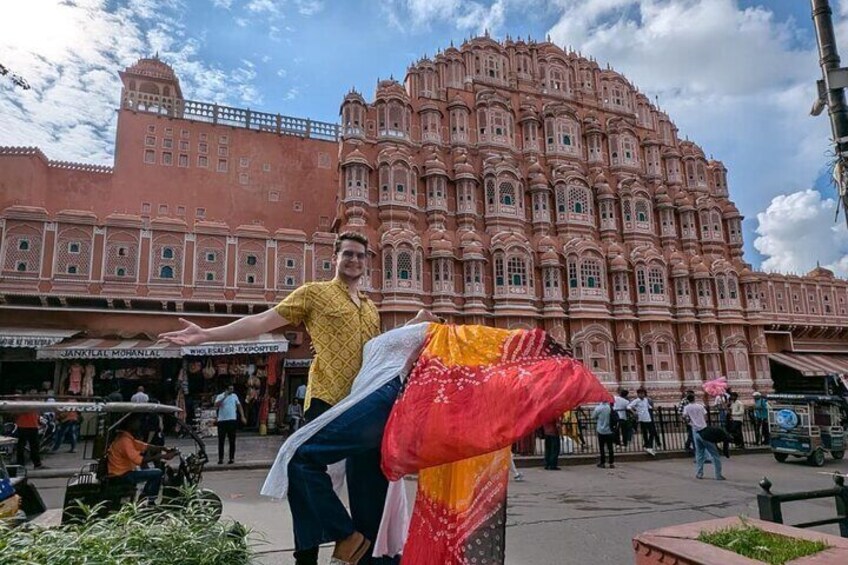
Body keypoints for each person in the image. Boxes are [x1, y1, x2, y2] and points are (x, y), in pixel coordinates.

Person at [160, 232, 418, 565]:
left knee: (369, 487)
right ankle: (315, 551)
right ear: (335, 258)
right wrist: (206, 335)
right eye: (348, 254)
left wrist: (413, 329)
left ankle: (369, 554)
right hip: (326, 400)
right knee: (303, 474)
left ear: (367, 262)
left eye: (360, 256)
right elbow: (263, 320)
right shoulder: (315, 294)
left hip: (361, 406)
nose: (354, 260)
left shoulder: (370, 309)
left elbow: (378, 354)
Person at [106, 416, 176, 503]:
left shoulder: (126, 437)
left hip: (124, 472)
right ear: (130, 424)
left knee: (153, 472)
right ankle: (149, 500)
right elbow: (139, 460)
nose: (139, 424)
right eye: (137, 422)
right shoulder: (124, 441)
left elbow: (143, 446)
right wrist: (161, 457)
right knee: (157, 473)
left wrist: (163, 448)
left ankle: (145, 495)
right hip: (122, 475)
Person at [215, 384, 246, 465]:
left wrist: (242, 416)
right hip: (222, 421)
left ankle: (231, 458)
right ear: (226, 389)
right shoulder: (220, 396)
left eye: (232, 389)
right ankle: (220, 458)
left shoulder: (234, 396)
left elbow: (239, 406)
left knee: (232, 440)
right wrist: (224, 396)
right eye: (230, 389)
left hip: (232, 420)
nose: (231, 390)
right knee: (221, 441)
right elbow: (216, 405)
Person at [15, 391, 43, 469]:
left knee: (35, 446)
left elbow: (38, 413)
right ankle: (20, 465)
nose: (33, 394)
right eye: (31, 392)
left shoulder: (35, 402)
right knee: (21, 446)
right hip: (23, 426)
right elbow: (19, 411)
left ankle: (37, 464)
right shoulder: (20, 402)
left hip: (33, 426)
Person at [629, 388, 659, 456]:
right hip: (642, 418)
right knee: (646, 432)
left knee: (651, 432)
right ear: (638, 394)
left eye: (643, 393)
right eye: (640, 393)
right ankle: (649, 446)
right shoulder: (636, 401)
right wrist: (634, 412)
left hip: (648, 417)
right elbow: (629, 406)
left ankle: (647, 445)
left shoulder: (645, 400)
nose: (642, 395)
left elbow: (649, 406)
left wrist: (655, 409)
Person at [592, 401, 616, 469]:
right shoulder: (610, 408)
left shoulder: (598, 408)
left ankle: (603, 463)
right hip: (610, 430)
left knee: (602, 447)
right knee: (610, 447)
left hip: (601, 430)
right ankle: (611, 463)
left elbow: (593, 416)